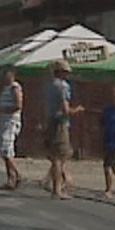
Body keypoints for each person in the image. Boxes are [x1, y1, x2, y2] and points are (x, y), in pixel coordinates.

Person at [43, 60, 83, 199]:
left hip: (49, 121)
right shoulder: (63, 87)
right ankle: (57, 189)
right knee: (61, 156)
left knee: (55, 154)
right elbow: (65, 109)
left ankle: (55, 181)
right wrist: (76, 110)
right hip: (60, 122)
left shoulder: (48, 86)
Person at [0, 64, 25, 191]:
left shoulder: (14, 87)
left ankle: (16, 174)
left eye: (5, 73)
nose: (3, 76)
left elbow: (18, 105)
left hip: (11, 121)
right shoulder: (5, 88)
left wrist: (3, 109)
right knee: (4, 150)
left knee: (6, 149)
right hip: (4, 121)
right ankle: (10, 178)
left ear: (11, 74)